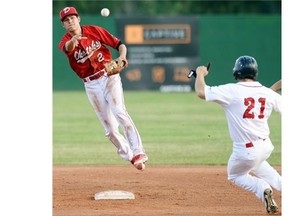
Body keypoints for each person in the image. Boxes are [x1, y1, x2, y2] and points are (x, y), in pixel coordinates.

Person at [58, 6, 148, 171]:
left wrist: (122, 56)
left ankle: (138, 151)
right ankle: (130, 156)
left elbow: (120, 44)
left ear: (78, 19)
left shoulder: (94, 31)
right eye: (66, 20)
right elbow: (68, 48)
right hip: (91, 85)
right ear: (63, 25)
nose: (70, 21)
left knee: (119, 111)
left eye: (72, 18)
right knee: (110, 130)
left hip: (109, 76)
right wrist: (74, 40)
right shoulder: (65, 41)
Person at [194, 55, 281, 214]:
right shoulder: (266, 93)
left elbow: (201, 91)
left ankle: (262, 188)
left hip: (245, 151)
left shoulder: (231, 90)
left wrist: (200, 73)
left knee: (235, 175)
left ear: (237, 72)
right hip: (265, 146)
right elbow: (267, 96)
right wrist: (276, 87)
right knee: (260, 166)